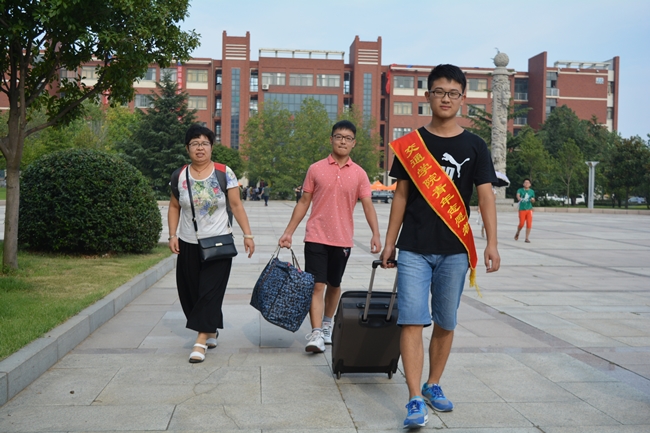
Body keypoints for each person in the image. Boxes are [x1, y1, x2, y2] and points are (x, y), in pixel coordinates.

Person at [379, 64, 500, 428]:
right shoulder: (411, 145)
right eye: (439, 92)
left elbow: (486, 196)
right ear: (427, 95)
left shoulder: (475, 145)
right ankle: (414, 398)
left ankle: (433, 384)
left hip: (455, 249)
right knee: (411, 320)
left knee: (446, 321)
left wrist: (492, 243)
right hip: (414, 247)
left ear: (462, 98)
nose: (446, 98)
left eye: (453, 93)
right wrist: (389, 243)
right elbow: (400, 196)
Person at [278, 120, 381, 353]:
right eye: (338, 137)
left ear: (354, 143)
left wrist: (375, 234)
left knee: (334, 284)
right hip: (315, 236)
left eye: (348, 138)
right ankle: (315, 333)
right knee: (317, 285)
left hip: (342, 239)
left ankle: (326, 324)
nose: (343, 141)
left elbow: (367, 205)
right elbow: (304, 202)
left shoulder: (359, 174)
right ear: (331, 139)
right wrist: (288, 232)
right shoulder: (315, 169)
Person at [168, 124, 255, 363]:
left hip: (218, 241)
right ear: (187, 148)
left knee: (210, 291)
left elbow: (236, 205)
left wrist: (248, 235)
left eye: (205, 143)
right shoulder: (179, 175)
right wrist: (172, 235)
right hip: (188, 242)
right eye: (195, 143)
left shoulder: (224, 172)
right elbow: (174, 207)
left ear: (211, 147)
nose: (200, 148)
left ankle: (200, 341)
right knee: (190, 292)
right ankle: (211, 328)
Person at [515, 178, 535, 243]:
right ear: (523, 184)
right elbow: (518, 195)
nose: (526, 184)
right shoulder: (520, 190)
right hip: (522, 209)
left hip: (529, 209)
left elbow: (533, 199)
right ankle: (518, 232)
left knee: (529, 224)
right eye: (525, 182)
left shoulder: (531, 191)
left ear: (530, 184)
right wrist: (519, 198)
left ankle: (527, 238)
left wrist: (532, 200)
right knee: (521, 223)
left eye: (528, 183)